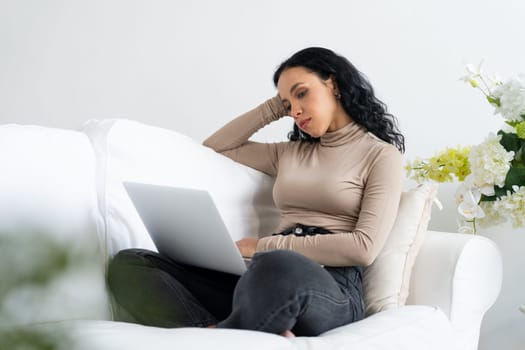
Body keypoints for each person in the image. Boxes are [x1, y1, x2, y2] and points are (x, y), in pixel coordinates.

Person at [107, 47, 404, 337]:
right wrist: (275, 106)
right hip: (261, 280)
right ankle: (215, 333)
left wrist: (262, 246)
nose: (295, 111)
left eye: (302, 93)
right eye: (288, 105)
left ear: (334, 84)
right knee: (130, 263)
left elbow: (363, 248)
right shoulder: (289, 154)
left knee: (280, 266)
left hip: (330, 286)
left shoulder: (381, 155)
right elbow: (217, 147)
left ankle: (234, 330)